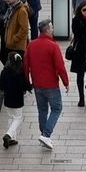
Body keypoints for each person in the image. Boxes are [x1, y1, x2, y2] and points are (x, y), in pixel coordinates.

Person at [24, 19, 70, 148]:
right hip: (51, 85)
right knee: (57, 108)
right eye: (52, 28)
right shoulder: (53, 46)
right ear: (48, 30)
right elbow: (60, 67)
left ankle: (43, 135)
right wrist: (66, 82)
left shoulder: (31, 45)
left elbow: (26, 64)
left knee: (42, 110)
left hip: (37, 84)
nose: (53, 30)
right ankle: (46, 135)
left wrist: (28, 82)